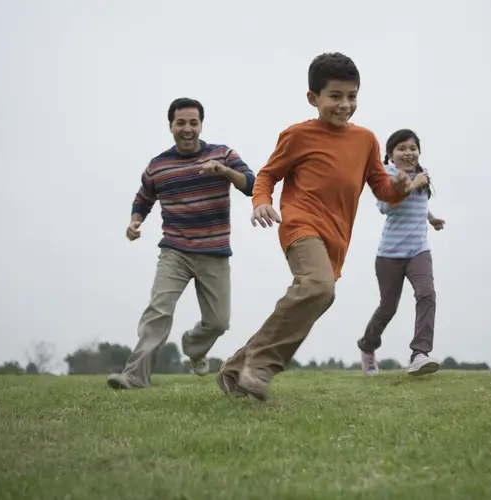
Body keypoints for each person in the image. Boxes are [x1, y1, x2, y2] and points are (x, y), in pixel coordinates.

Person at [215, 53, 429, 401]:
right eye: (335, 96)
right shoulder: (298, 135)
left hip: (336, 237)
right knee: (318, 286)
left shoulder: (366, 141)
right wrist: (261, 201)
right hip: (300, 224)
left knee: (319, 295)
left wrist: (401, 189)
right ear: (313, 98)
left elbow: (383, 190)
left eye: (352, 96)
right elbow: (268, 175)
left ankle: (237, 366)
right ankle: (261, 367)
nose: (345, 105)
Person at [107, 97, 256, 390]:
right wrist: (135, 220)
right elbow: (144, 197)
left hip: (214, 251)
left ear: (201, 125)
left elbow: (251, 184)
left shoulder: (223, 154)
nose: (187, 129)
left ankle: (194, 346)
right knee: (158, 311)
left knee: (218, 322)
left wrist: (224, 172)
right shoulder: (158, 166)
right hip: (175, 251)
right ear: (171, 126)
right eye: (181, 123)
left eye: (193, 122)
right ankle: (135, 376)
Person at [356, 129, 446, 377]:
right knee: (388, 307)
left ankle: (419, 354)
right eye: (402, 148)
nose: (408, 153)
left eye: (413, 148)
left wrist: (431, 218)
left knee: (426, 294)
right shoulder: (387, 175)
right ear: (390, 154)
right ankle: (368, 346)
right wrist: (412, 184)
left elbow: (419, 205)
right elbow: (385, 206)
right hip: (390, 254)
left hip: (418, 251)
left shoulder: (422, 176)